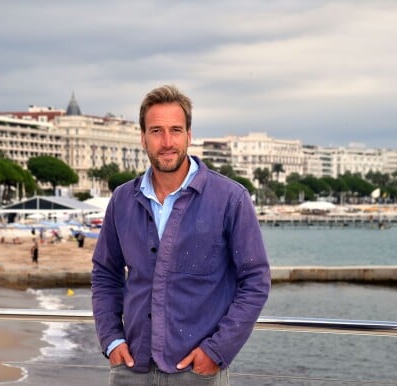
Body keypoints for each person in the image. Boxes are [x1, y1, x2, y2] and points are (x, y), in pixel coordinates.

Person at [91, 85, 271, 386]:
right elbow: (105, 273)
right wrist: (111, 339)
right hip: (131, 367)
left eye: (175, 130)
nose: (167, 142)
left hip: (198, 372)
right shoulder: (122, 200)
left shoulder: (230, 198)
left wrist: (217, 350)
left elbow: (255, 281)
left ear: (189, 135)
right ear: (143, 138)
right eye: (156, 131)